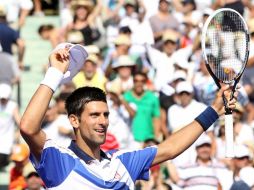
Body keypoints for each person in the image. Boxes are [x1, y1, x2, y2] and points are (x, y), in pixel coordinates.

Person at [19, 46, 238, 189]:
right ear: (74, 120)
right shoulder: (59, 160)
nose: (103, 121)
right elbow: (28, 127)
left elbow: (170, 148)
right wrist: (55, 73)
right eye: (94, 115)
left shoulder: (122, 161)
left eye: (105, 115)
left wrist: (214, 110)